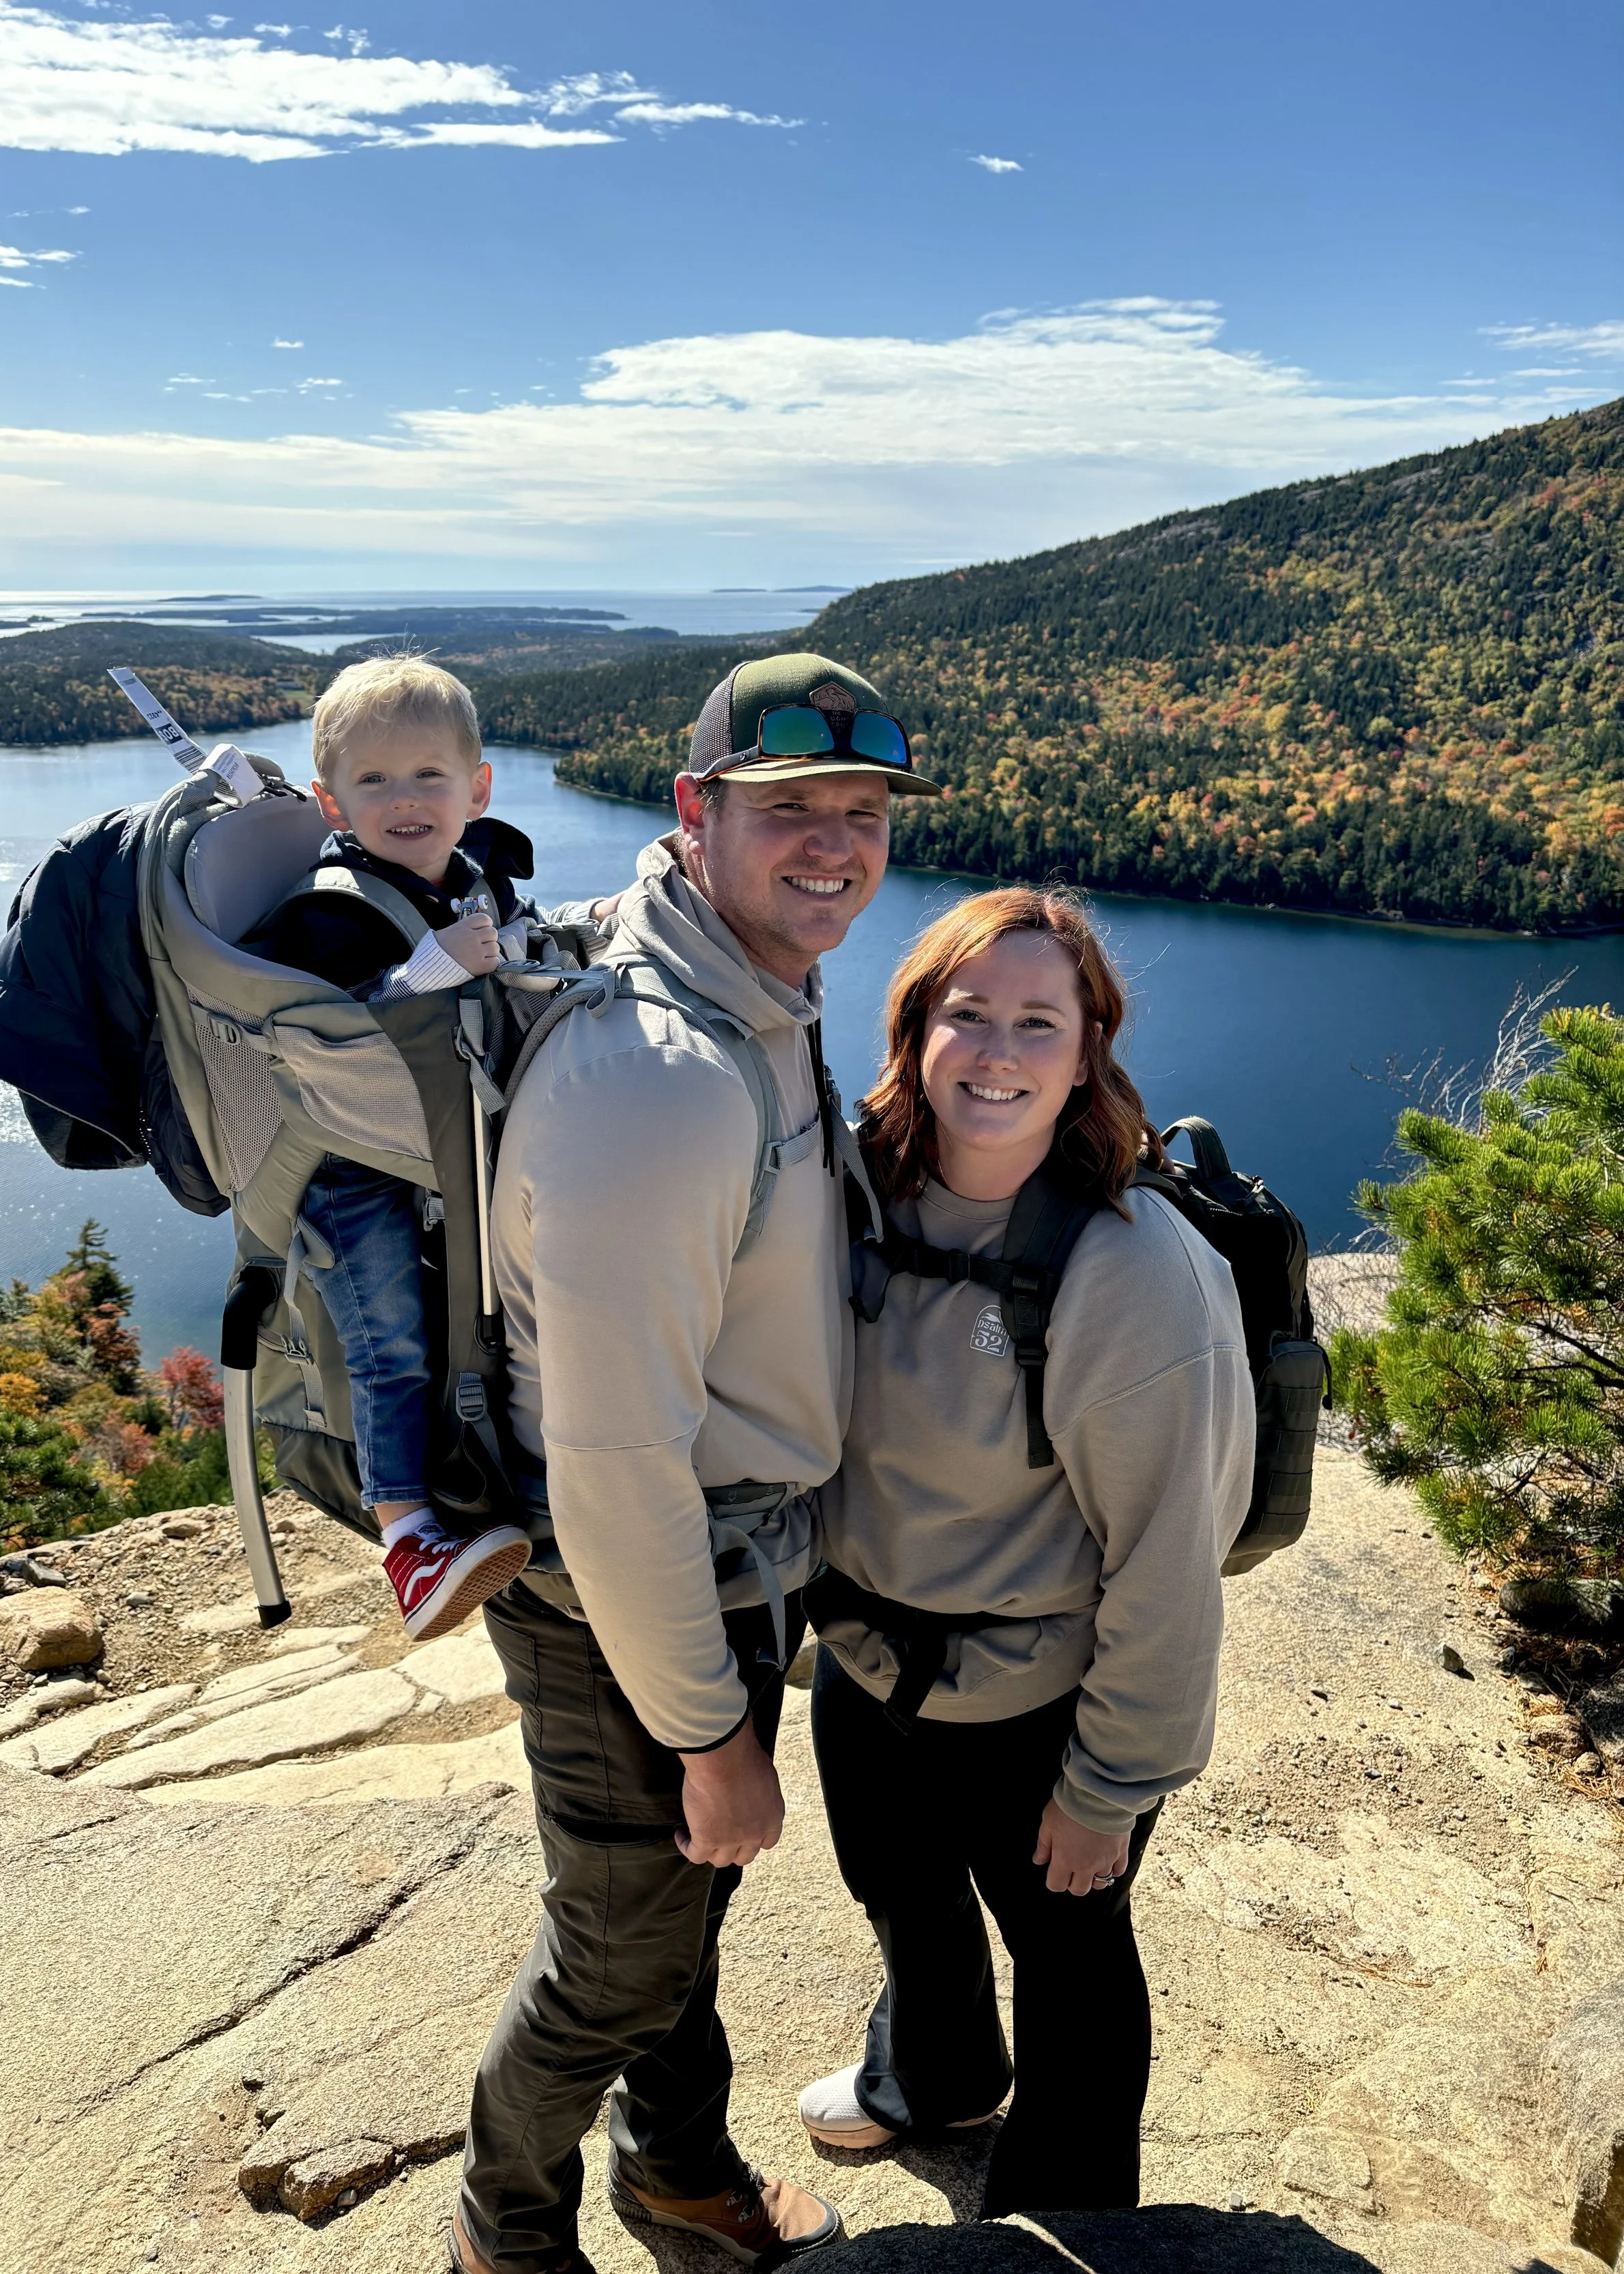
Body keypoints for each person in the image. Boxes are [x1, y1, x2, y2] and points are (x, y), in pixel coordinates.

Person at [451, 654, 940, 2274]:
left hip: (722, 1560)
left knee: (675, 1923)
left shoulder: (738, 987)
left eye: (861, 814)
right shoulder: (656, 1079)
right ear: (693, 815)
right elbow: (609, 1466)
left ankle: (672, 2171)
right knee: (617, 1956)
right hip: (631, 1591)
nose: (834, 845)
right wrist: (711, 1730)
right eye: (786, 809)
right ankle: (503, 2241)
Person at [798, 887, 1254, 2216]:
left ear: (1086, 1047)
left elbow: (1171, 1560)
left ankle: (1056, 2216)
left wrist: (1108, 1785)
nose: (996, 1050)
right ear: (912, 1030)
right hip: (867, 1656)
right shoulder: (853, 1191)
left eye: (1036, 1022)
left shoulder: (1129, 1270)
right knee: (898, 1891)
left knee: (1068, 1966)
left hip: (1035, 1705)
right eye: (966, 1012)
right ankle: (932, 2079)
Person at [249, 654, 534, 1639]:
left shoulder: (478, 876)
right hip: (347, 1176)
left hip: (445, 1161)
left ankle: (477, 1470)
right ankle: (407, 1538)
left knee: (479, 1318)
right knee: (391, 1344)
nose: (405, 801)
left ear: (478, 788)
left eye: (428, 776)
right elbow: (303, 1050)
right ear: (332, 800)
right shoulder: (323, 914)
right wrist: (418, 979)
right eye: (373, 781)